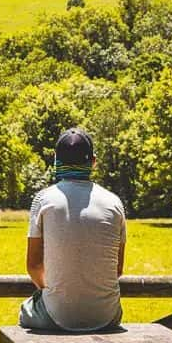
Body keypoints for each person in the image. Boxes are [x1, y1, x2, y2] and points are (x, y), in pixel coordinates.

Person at [20, 127, 126, 332]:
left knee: (26, 309)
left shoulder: (43, 199)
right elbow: (117, 269)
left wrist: (52, 292)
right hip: (108, 316)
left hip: (57, 317)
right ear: (93, 161)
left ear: (55, 160)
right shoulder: (114, 202)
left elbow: (33, 266)